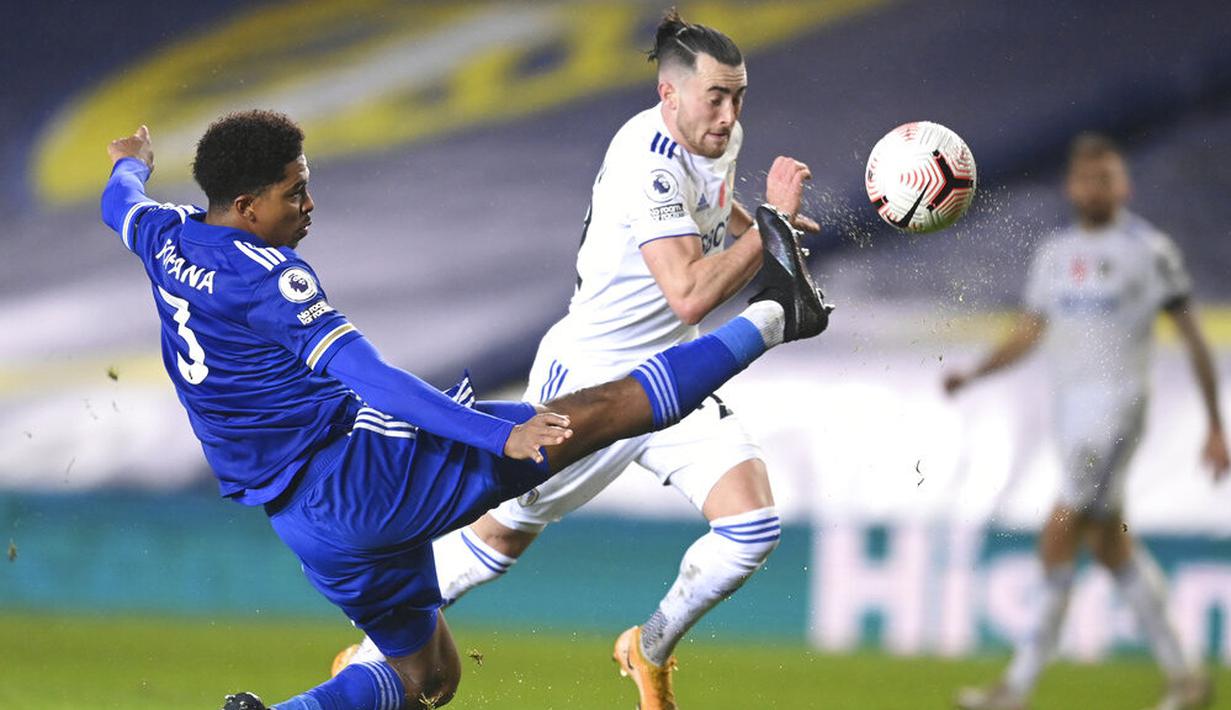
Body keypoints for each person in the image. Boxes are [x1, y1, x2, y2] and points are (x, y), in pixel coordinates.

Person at [100, 109, 831, 710]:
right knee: (596, 414)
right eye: (295, 193)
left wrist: (130, 163)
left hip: (305, 523)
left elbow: (120, 202)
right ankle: (776, 316)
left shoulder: (165, 237)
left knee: (429, 678)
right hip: (359, 476)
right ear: (247, 207)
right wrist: (494, 435)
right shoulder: (269, 278)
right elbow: (374, 378)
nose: (308, 205)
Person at [331, 10, 817, 708]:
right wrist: (769, 229)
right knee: (498, 540)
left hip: (675, 374)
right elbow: (687, 294)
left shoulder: (718, 137)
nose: (730, 114)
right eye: (716, 97)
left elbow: (711, 204)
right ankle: (369, 654)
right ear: (669, 93)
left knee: (750, 528)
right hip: (595, 381)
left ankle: (648, 649)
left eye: (738, 96)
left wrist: (758, 228)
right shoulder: (647, 162)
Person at [945, 132, 1227, 710]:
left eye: (1107, 178)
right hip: (1072, 417)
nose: (1095, 189)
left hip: (1117, 410)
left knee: (1059, 529)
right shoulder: (1054, 253)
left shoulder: (1149, 250)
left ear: (1124, 186)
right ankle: (1186, 678)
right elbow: (1029, 332)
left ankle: (1016, 687)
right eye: (1086, 179)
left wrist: (1215, 426)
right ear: (1071, 186)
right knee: (1108, 543)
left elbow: (1194, 338)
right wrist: (974, 374)